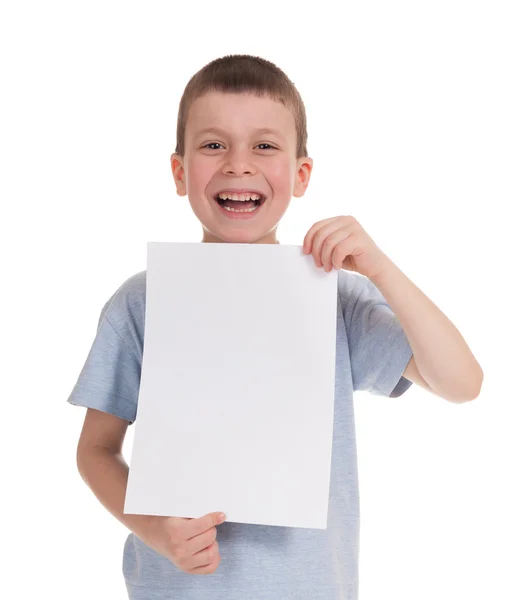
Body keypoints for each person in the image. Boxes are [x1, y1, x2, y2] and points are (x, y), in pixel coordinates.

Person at [67, 54, 482, 600]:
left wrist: (381, 266)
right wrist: (155, 531)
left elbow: (461, 382)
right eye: (214, 144)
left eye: (264, 145)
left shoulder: (336, 297)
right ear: (179, 171)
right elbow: (96, 450)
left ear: (301, 173)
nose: (239, 164)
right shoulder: (141, 302)